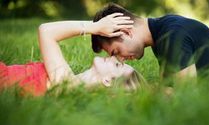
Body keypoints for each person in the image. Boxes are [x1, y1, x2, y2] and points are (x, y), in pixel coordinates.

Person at [0, 13, 141, 96]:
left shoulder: (66, 85)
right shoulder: (68, 80)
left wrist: (95, 27)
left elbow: (46, 31)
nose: (112, 58)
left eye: (117, 65)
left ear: (107, 81)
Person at [91, 3, 209, 82]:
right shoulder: (161, 34)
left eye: (116, 52)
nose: (120, 60)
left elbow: (184, 97)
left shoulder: (172, 34)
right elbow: (168, 88)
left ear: (125, 31)